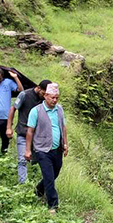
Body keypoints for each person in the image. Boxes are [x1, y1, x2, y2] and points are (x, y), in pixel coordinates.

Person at [24, 83, 68, 213]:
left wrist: (65, 144)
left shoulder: (59, 109)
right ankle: (53, 205)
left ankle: (38, 190)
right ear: (45, 96)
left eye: (57, 98)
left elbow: (63, 127)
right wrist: (27, 150)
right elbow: (30, 131)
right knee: (49, 177)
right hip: (42, 150)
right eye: (52, 97)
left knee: (55, 173)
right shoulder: (36, 111)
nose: (54, 100)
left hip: (57, 149)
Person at [7, 79, 49, 184]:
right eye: (44, 93)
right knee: (22, 160)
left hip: (37, 135)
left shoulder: (45, 99)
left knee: (37, 160)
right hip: (23, 133)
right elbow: (13, 109)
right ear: (38, 88)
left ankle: (37, 182)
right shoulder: (24, 95)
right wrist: (9, 127)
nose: (45, 96)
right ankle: (23, 185)